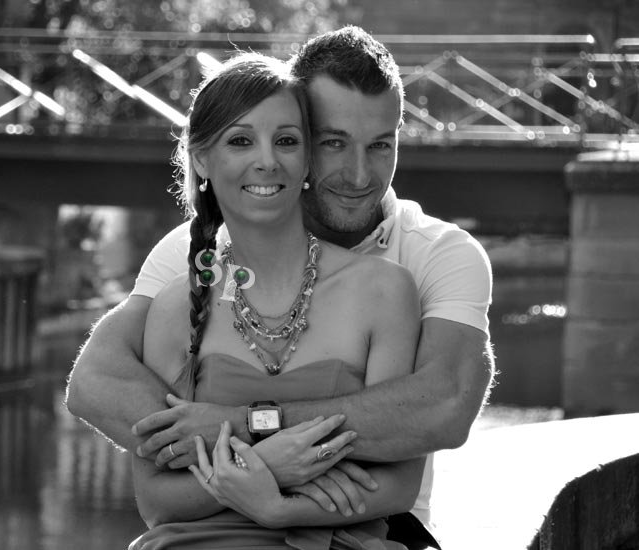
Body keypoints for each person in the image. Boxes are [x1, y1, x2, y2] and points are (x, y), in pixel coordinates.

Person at [66, 26, 494, 548]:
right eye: (334, 142)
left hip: (366, 523)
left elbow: (442, 408)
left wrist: (247, 434)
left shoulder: (434, 258)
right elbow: (96, 382)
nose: (360, 174)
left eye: (381, 145)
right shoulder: (193, 260)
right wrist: (257, 469)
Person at [127, 50, 424, 549]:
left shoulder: (384, 291)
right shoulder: (174, 308)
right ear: (201, 158)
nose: (267, 160)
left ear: (306, 157)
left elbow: (399, 483)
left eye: (286, 140)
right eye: (241, 140)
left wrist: (276, 506)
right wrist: (266, 464)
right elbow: (157, 501)